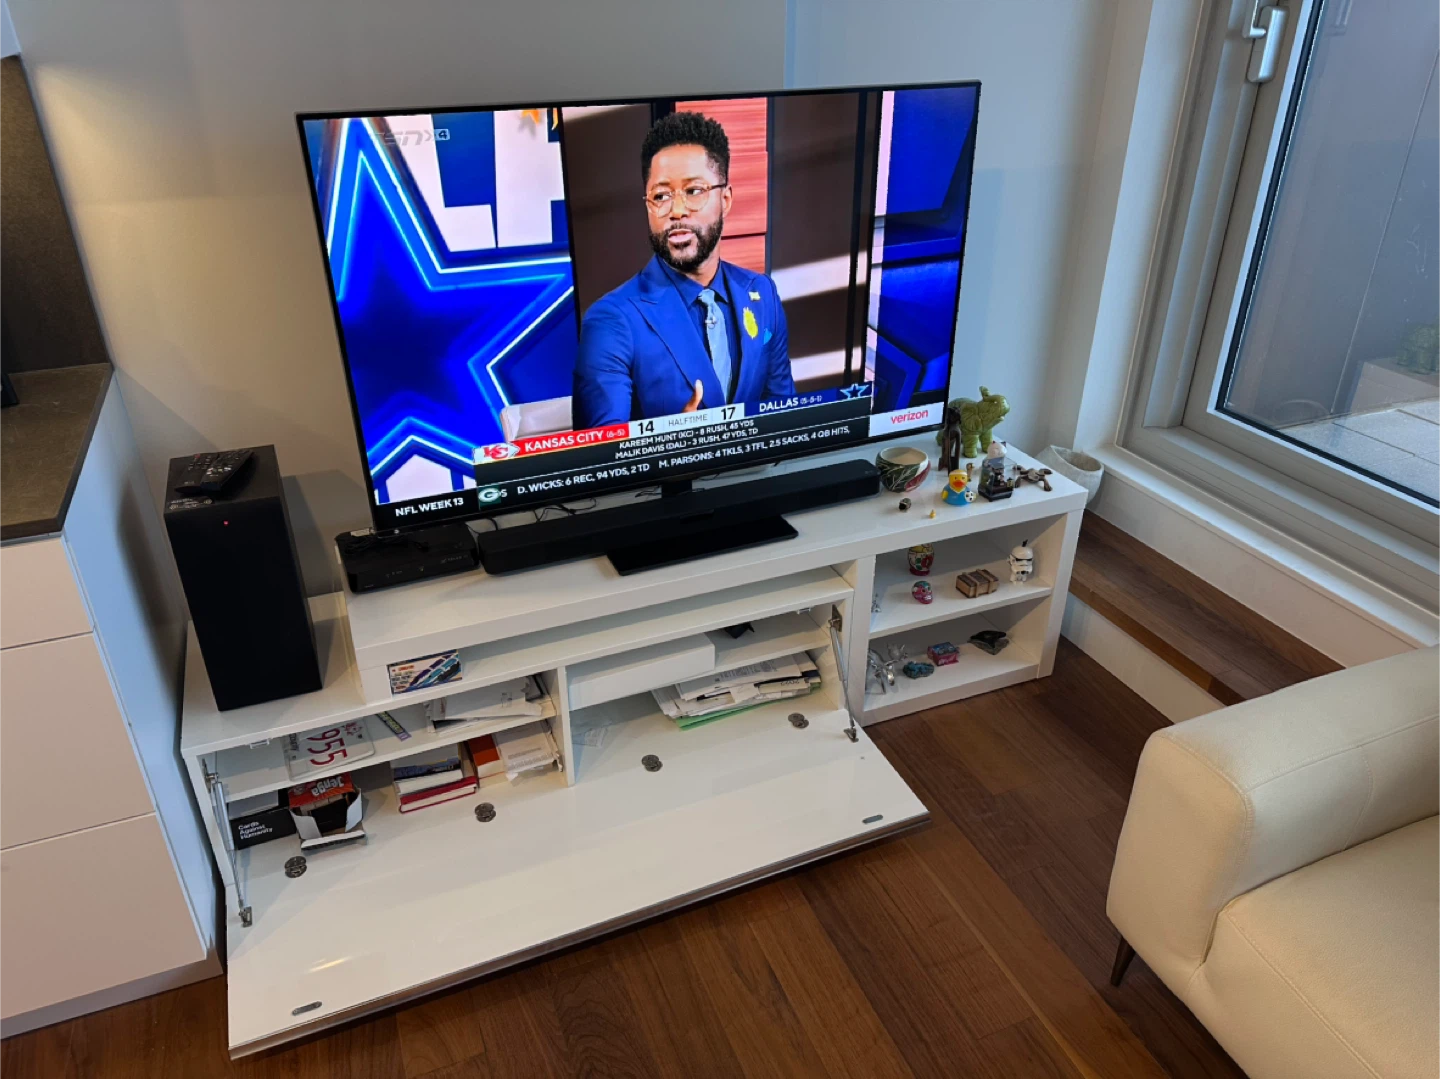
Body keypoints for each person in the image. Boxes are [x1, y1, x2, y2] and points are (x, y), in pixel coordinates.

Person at [571, 111, 794, 430]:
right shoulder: (611, 321)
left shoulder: (762, 294)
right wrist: (672, 443)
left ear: (725, 199)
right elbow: (604, 451)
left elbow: (784, 419)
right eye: (661, 196)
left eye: (693, 191)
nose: (676, 211)